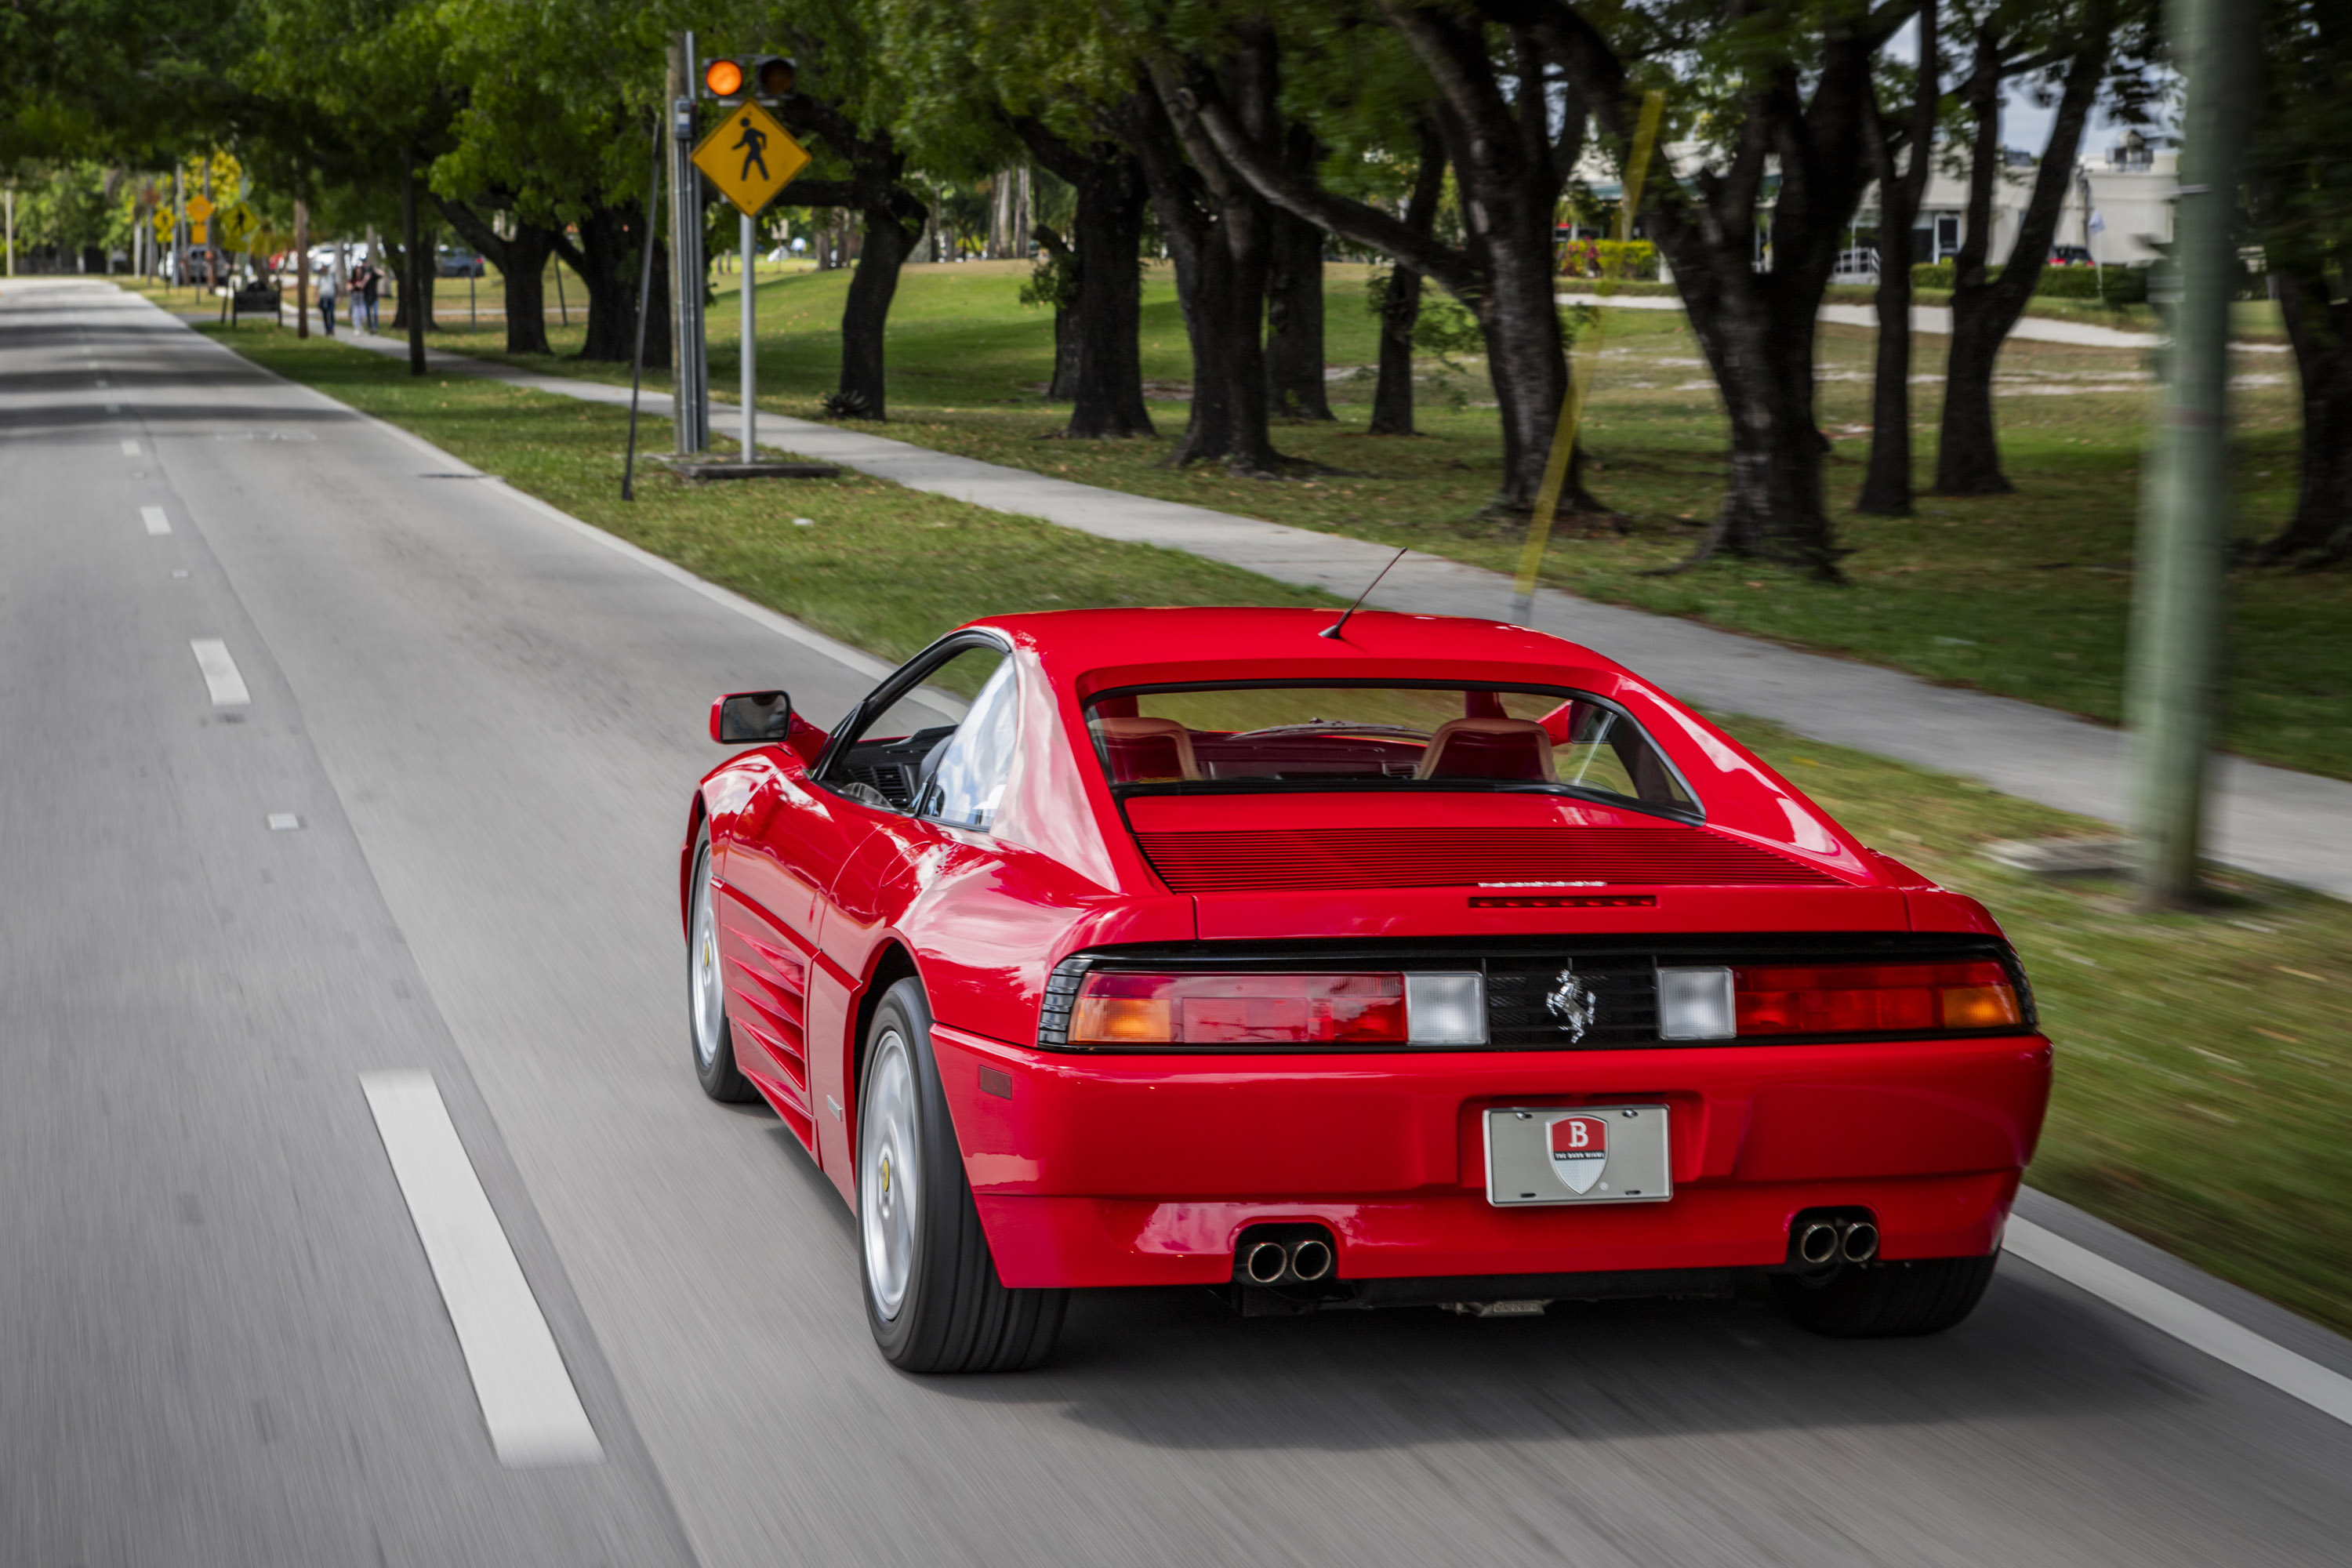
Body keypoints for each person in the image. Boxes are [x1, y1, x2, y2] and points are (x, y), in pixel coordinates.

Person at [315, 263, 336, 337]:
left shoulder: (332, 276)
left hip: (331, 297)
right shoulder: (320, 277)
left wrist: (338, 296)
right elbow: (317, 288)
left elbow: (336, 286)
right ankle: (327, 328)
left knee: (331, 313)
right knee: (324, 314)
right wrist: (316, 298)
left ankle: (331, 328)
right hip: (323, 298)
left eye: (324, 267)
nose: (323, 269)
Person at [360, 260, 381, 332]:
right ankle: (371, 327)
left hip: (374, 297)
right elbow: (361, 287)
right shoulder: (363, 275)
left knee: (375, 313)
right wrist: (365, 279)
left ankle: (376, 327)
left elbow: (382, 274)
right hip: (366, 297)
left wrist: (375, 269)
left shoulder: (374, 277)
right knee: (368, 314)